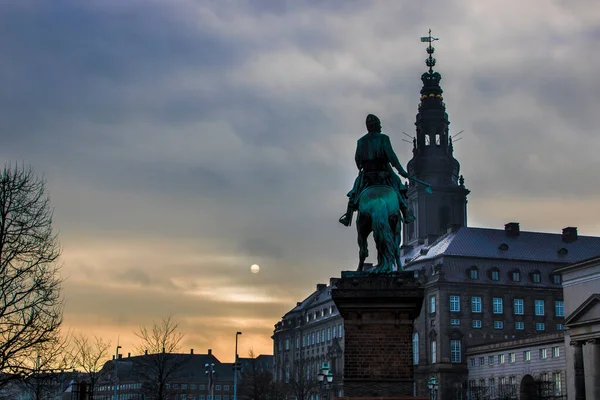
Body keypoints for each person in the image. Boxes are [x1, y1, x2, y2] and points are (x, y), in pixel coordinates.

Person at [339, 114, 415, 227]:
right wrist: (401, 171)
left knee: (354, 192)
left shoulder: (361, 141)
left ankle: (348, 216)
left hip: (367, 174)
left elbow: (357, 160)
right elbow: (392, 157)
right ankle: (405, 213)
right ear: (375, 126)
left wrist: (363, 166)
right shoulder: (384, 138)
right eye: (379, 125)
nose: (381, 127)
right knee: (398, 186)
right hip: (384, 172)